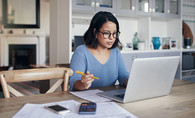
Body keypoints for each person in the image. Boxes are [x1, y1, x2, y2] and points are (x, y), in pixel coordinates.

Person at [69, 11, 129, 90]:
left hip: (109, 98)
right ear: (95, 32)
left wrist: (132, 82)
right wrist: (82, 84)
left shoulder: (115, 52)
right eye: (106, 33)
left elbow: (123, 76)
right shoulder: (81, 52)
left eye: (115, 33)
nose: (111, 37)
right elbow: (73, 81)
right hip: (85, 100)